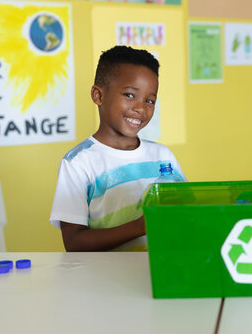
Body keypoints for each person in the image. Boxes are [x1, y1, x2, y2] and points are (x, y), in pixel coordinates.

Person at [50, 46, 186, 251]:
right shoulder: (78, 163)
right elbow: (74, 242)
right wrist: (140, 226)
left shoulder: (163, 156)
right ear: (98, 95)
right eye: (130, 95)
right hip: (107, 278)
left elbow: (184, 212)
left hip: (162, 270)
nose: (141, 108)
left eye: (150, 100)